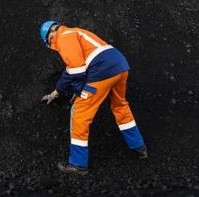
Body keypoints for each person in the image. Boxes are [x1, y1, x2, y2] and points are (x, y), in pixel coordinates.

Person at [39, 20, 147, 174]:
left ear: (49, 37)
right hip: (120, 66)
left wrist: (79, 92)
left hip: (102, 71)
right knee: (120, 106)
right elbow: (69, 72)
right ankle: (139, 147)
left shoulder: (63, 38)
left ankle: (78, 164)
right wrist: (55, 93)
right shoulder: (75, 32)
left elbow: (76, 70)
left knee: (79, 115)